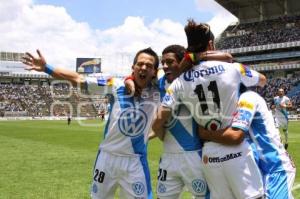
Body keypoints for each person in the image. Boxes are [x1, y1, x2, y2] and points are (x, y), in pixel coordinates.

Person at [22, 48, 160, 199]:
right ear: (133, 67)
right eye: (140, 64)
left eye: (149, 65)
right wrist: (47, 68)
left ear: (154, 71)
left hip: (135, 161)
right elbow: (79, 79)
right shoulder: (115, 84)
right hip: (107, 158)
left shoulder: (159, 90)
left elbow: (177, 73)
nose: (144, 68)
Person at [152, 19, 267, 199]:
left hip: (209, 154)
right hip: (236, 149)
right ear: (211, 44)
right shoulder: (233, 68)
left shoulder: (178, 82)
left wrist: (159, 133)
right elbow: (262, 80)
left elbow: (159, 118)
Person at [125, 45, 233, 198]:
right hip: (168, 156)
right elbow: (138, 76)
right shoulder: (159, 84)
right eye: (163, 63)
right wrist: (128, 79)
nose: (165, 66)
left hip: (193, 155)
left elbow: (227, 57)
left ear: (182, 62)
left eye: (170, 62)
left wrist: (197, 56)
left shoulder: (194, 80)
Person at [199, 85, 296, 199]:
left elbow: (236, 136)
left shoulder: (247, 98)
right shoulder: (234, 102)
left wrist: (205, 134)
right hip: (260, 168)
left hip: (275, 167)